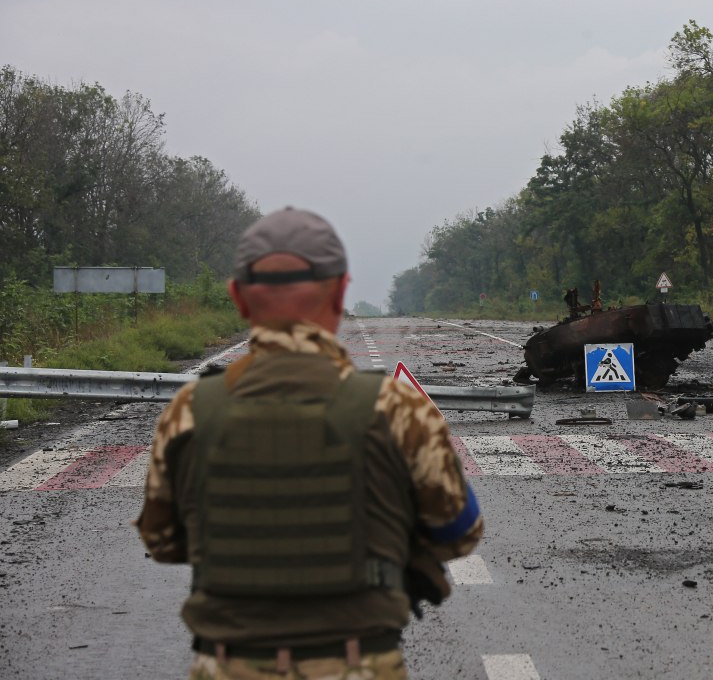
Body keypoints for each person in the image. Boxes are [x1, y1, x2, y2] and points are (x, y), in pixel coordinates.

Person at [137, 207, 482, 679]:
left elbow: (162, 541)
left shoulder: (190, 410)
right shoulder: (398, 409)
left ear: (238, 297)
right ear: (341, 291)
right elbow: (460, 530)